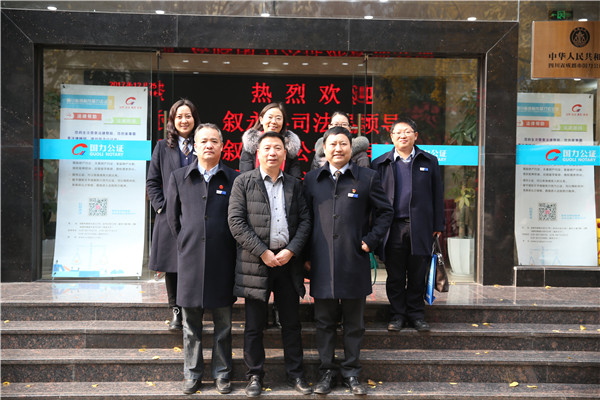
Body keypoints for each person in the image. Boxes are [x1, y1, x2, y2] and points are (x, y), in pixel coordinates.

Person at [303, 126, 393, 396]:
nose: (338, 149)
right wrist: (306, 256)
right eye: (332, 144)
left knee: (354, 323)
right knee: (324, 322)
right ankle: (327, 372)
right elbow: (304, 219)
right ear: (324, 148)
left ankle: (352, 372)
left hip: (354, 259)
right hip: (321, 262)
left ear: (351, 148)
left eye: (343, 144)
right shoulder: (312, 179)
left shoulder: (367, 177)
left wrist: (370, 240)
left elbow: (385, 212)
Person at [228, 132, 312, 397]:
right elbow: (236, 222)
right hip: (256, 263)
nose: (272, 152)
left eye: (277, 148)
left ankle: (296, 375)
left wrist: (291, 250)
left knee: (291, 323)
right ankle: (254, 376)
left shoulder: (295, 184)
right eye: (267, 148)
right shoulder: (243, 182)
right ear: (258, 153)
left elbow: (305, 221)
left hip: (288, 263)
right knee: (254, 325)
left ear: (285, 154)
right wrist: (262, 251)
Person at [165, 123, 239, 395]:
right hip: (190, 262)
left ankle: (222, 374)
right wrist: (189, 241)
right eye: (203, 141)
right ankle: (192, 374)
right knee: (191, 325)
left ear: (222, 146)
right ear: (194, 146)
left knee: (224, 325)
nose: (209, 145)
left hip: (223, 261)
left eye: (214, 141)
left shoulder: (234, 178)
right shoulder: (179, 177)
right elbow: (173, 219)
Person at [371, 117, 444, 333]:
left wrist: (437, 225)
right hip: (392, 228)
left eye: (407, 131)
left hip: (420, 227)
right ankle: (397, 315)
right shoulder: (380, 163)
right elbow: (374, 200)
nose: (402, 135)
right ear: (391, 137)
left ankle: (416, 315)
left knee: (417, 274)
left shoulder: (429, 161)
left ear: (416, 136)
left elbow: (437, 195)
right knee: (395, 276)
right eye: (398, 132)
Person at [147, 99, 199, 330]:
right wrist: (161, 207)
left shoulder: (202, 143)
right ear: (172, 120)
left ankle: (193, 309)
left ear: (195, 119)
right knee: (172, 265)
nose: (184, 120)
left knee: (194, 263)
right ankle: (176, 311)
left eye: (188, 116)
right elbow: (152, 181)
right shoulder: (162, 147)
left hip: (196, 214)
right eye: (179, 116)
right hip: (169, 216)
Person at [239, 102, 302, 179]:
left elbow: (295, 178)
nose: (273, 121)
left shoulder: (290, 146)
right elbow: (245, 176)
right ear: (261, 120)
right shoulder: (251, 144)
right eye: (270, 117)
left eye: (278, 118)